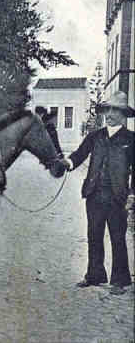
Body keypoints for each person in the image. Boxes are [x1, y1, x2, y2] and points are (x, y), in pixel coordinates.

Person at [60, 92, 135, 295]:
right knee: (94, 235)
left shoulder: (131, 139)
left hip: (117, 197)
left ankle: (119, 280)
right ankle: (94, 275)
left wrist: (132, 196)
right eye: (108, 109)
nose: (109, 114)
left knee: (118, 237)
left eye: (115, 110)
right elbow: (79, 154)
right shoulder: (95, 136)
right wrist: (67, 163)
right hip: (94, 194)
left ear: (123, 115)